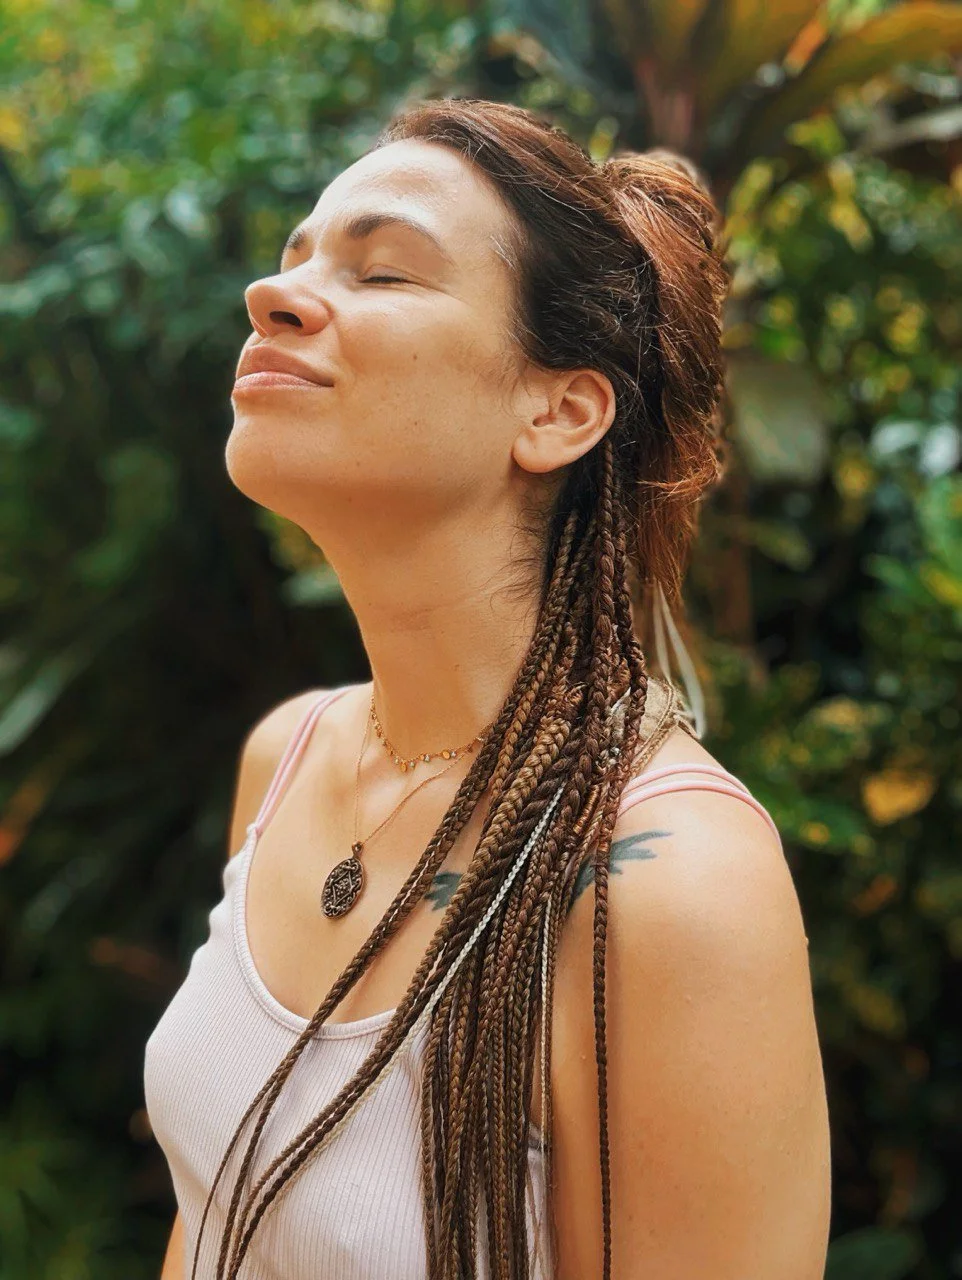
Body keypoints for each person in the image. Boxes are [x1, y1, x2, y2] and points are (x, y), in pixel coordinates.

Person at [144, 96, 831, 1280]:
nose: (276, 292)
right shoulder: (289, 757)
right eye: (296, 255)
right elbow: (219, 1220)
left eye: (386, 272)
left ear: (556, 410)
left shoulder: (668, 889)